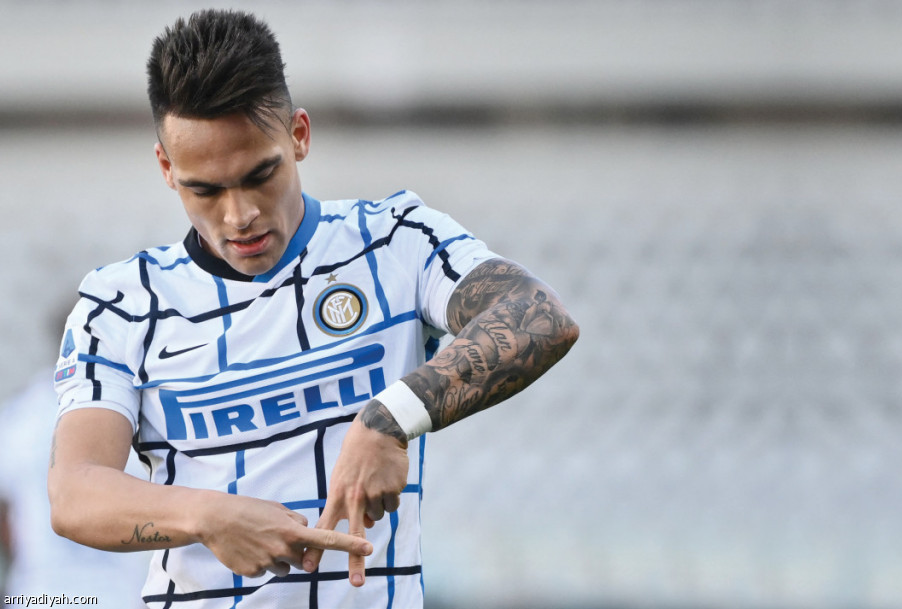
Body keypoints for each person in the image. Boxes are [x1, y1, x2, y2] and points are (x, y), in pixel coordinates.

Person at [47, 8, 578, 609]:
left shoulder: (394, 241)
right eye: (206, 189)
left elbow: (539, 315)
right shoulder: (121, 302)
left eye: (260, 175)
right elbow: (75, 495)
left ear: (299, 135)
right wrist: (208, 516)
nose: (239, 214)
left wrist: (390, 418)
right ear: (167, 169)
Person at [0, 372, 149, 609]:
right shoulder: (140, 410)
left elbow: (6, 513)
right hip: (119, 597)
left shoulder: (22, 411)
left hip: (36, 596)